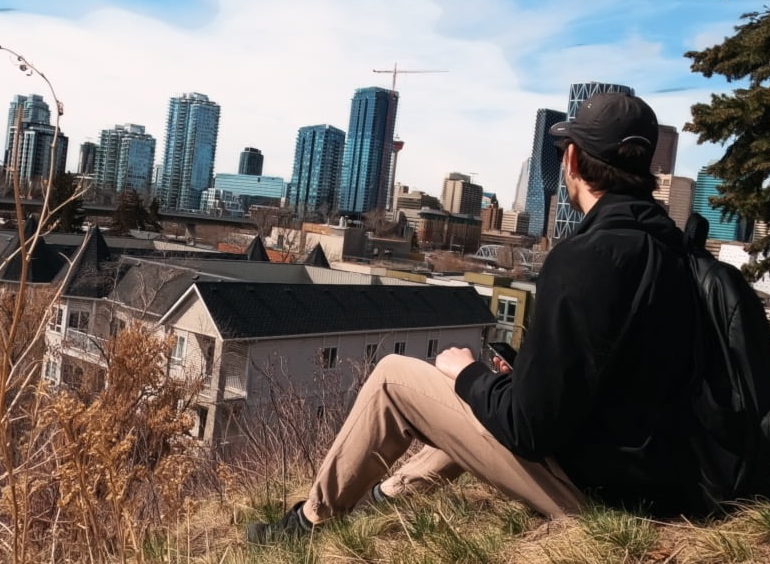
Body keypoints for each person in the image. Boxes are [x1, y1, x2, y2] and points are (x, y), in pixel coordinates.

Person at [246, 92, 704, 543]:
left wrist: (470, 375)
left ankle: (309, 523)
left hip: (604, 496)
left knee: (393, 379)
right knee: (481, 394)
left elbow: (527, 429)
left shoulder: (587, 258)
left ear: (573, 163)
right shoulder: (678, 253)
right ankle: (387, 498)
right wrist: (514, 378)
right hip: (661, 477)